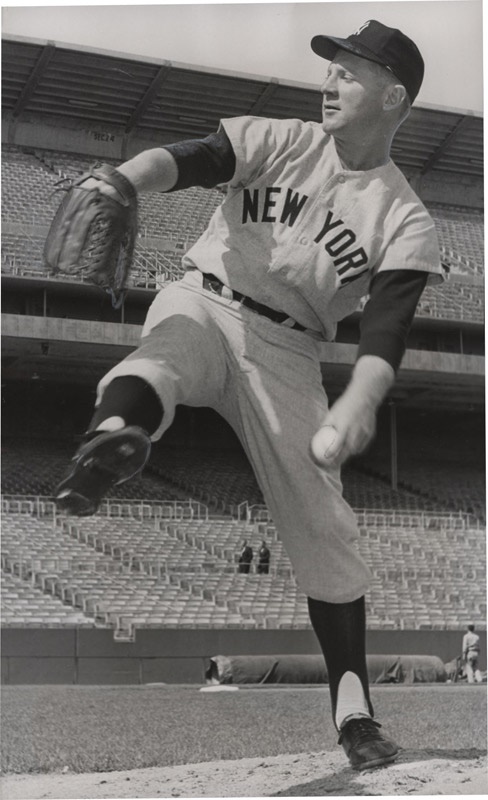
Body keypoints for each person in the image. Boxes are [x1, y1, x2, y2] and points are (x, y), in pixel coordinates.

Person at [54, 19, 445, 770]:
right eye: (330, 68)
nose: (329, 81)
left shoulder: (404, 218)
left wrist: (357, 403)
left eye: (350, 72)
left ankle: (355, 714)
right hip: (207, 294)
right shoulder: (284, 137)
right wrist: (128, 177)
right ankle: (109, 438)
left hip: (289, 351)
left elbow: (386, 333)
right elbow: (198, 158)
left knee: (322, 523)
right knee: (167, 355)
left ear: (394, 95)